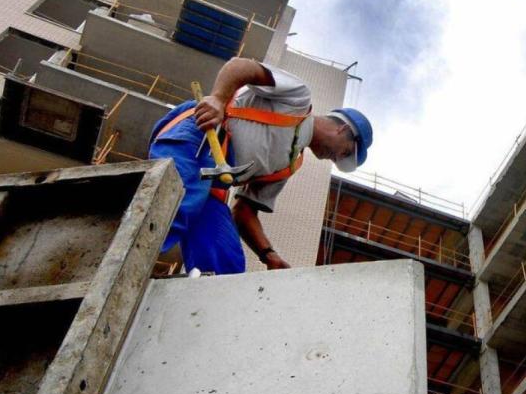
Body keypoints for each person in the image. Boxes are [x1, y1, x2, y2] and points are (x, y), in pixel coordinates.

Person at [148, 57, 372, 274]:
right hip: (199, 136)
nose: (333, 159)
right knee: (176, 206)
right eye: (343, 152)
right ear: (343, 129)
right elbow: (240, 66)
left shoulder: (288, 167)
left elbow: (245, 212)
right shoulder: (298, 97)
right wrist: (218, 98)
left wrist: (269, 255)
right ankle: (121, 264)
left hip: (210, 185)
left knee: (225, 264)